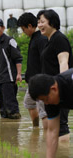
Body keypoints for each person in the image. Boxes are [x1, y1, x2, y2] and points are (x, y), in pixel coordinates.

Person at [37, 9, 73, 158]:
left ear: (52, 22)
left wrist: (61, 87)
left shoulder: (59, 39)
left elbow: (63, 63)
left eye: (42, 22)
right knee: (55, 127)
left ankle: (64, 153)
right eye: (38, 22)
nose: (39, 25)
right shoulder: (49, 41)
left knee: (61, 126)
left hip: (58, 90)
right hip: (50, 91)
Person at [28, 69, 73, 158]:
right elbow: (52, 132)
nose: (46, 103)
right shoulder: (50, 101)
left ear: (54, 89)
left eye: (46, 99)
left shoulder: (70, 83)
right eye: (43, 101)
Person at [17, 13, 48, 128]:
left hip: (40, 80)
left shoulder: (41, 38)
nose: (23, 32)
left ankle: (46, 136)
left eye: (23, 29)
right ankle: (35, 128)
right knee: (29, 103)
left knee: (43, 110)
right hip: (33, 82)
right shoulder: (34, 38)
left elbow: (45, 59)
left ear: (30, 26)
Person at [0, 17, 22, 119]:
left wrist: (19, 74)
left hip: (9, 78)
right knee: (3, 110)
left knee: (11, 108)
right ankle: (5, 133)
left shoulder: (10, 41)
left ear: (3, 28)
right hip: (0, 80)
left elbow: (18, 58)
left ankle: (14, 130)